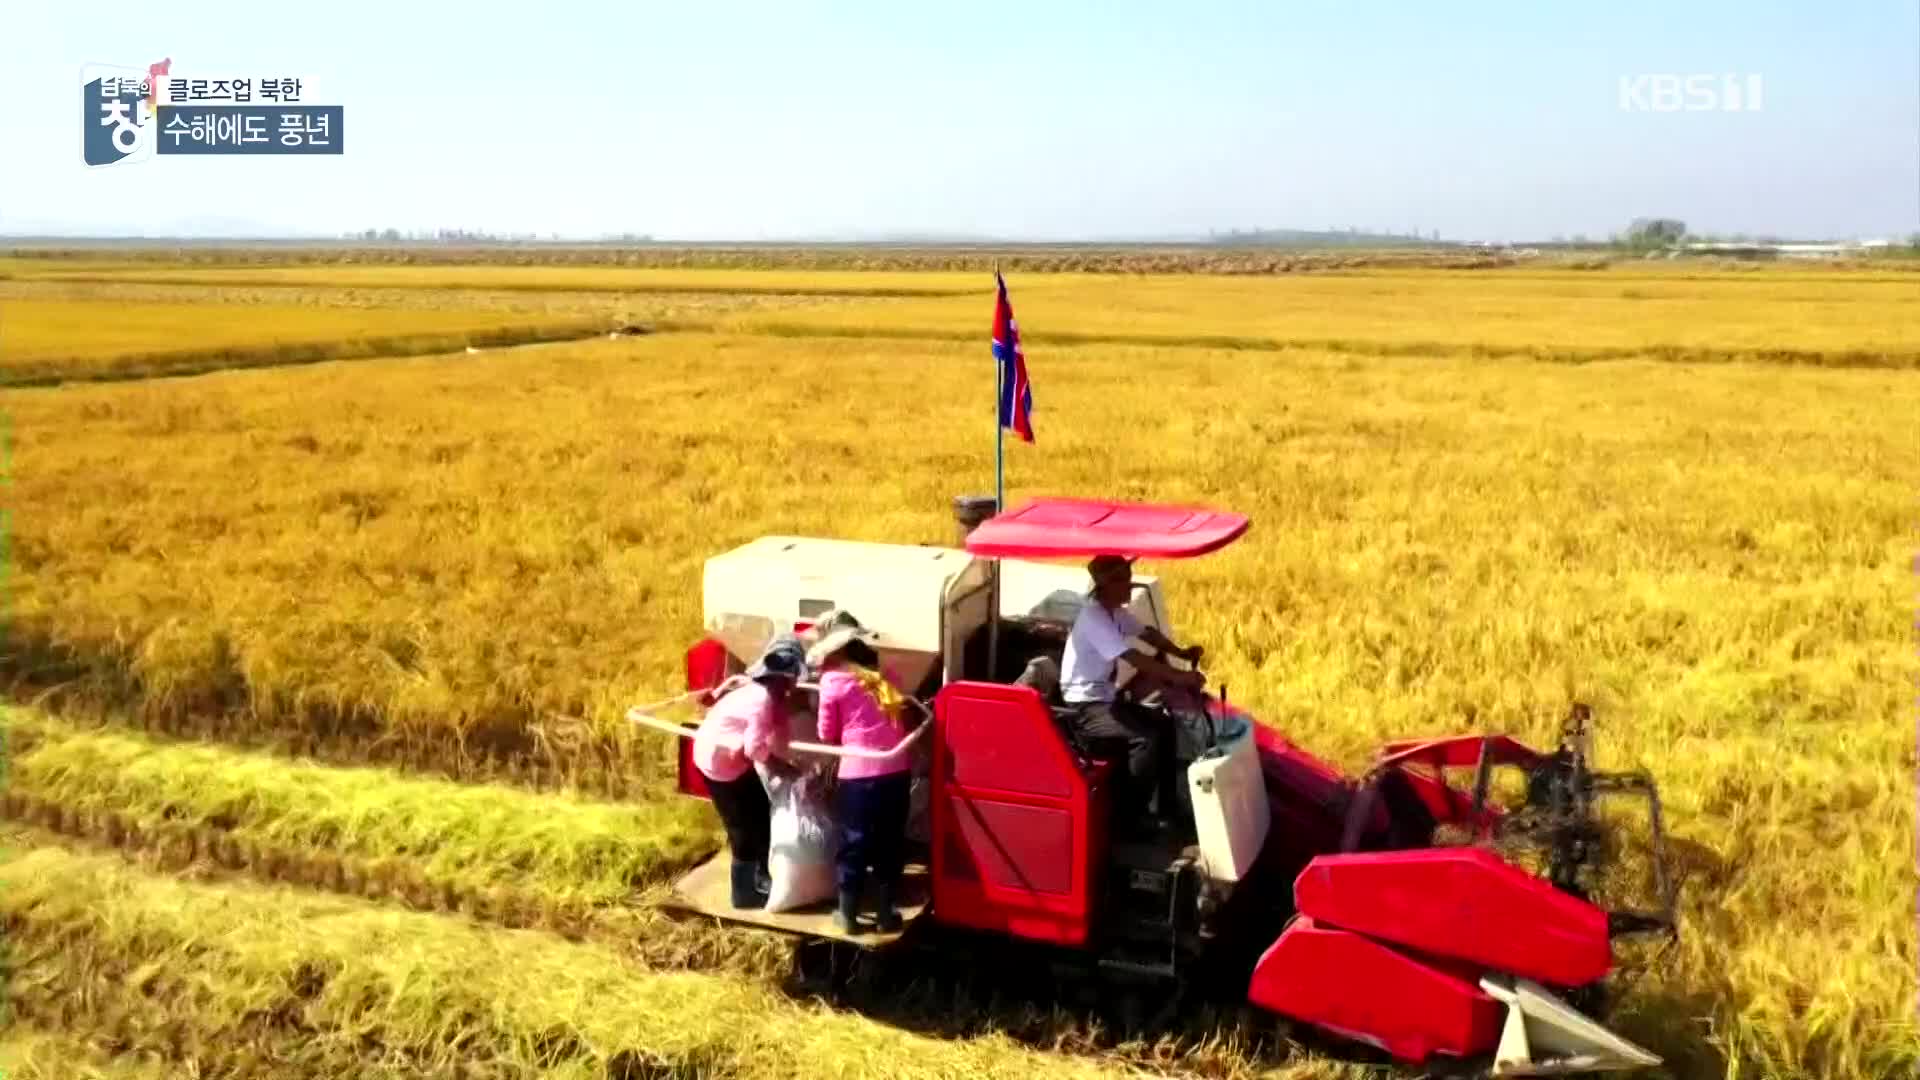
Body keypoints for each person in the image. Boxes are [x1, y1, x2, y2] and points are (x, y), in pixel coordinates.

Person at [1058, 553, 1206, 831]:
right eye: (1125, 581)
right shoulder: (1094, 618)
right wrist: (1180, 676)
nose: (1130, 586)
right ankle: (1130, 817)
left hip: (1105, 699)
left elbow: (1147, 634)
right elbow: (1133, 656)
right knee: (1144, 738)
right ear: (1108, 585)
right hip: (1084, 708)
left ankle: (1165, 807)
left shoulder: (1114, 612)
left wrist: (1181, 653)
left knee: (1163, 724)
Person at [807, 615, 915, 934]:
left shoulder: (833, 681)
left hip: (859, 773)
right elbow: (899, 717)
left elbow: (826, 734)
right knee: (889, 840)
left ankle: (848, 914)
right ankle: (885, 913)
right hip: (897, 769)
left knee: (854, 840)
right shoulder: (887, 673)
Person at [690, 634, 808, 909]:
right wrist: (784, 769)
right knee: (742, 828)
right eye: (792, 678)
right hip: (719, 763)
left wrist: (792, 762)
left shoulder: (769, 695)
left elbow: (777, 730)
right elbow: (755, 748)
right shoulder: (761, 700)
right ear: (783, 678)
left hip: (732, 757)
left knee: (761, 808)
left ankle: (762, 874)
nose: (794, 683)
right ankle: (742, 894)